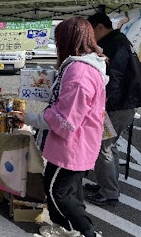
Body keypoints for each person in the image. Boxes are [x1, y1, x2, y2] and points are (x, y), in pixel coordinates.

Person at [11, 17, 107, 237]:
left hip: (73, 145)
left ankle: (85, 231)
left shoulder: (79, 72)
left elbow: (65, 120)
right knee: (70, 191)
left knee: (57, 191)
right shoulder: (86, 65)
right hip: (78, 142)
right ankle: (67, 227)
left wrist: (29, 118)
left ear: (67, 40)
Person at [84, 12, 141, 206]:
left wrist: (101, 104)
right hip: (124, 103)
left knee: (103, 146)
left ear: (99, 27)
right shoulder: (118, 40)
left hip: (118, 105)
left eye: (90, 31)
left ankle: (109, 192)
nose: (90, 37)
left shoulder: (115, 43)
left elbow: (113, 78)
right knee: (109, 145)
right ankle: (107, 185)